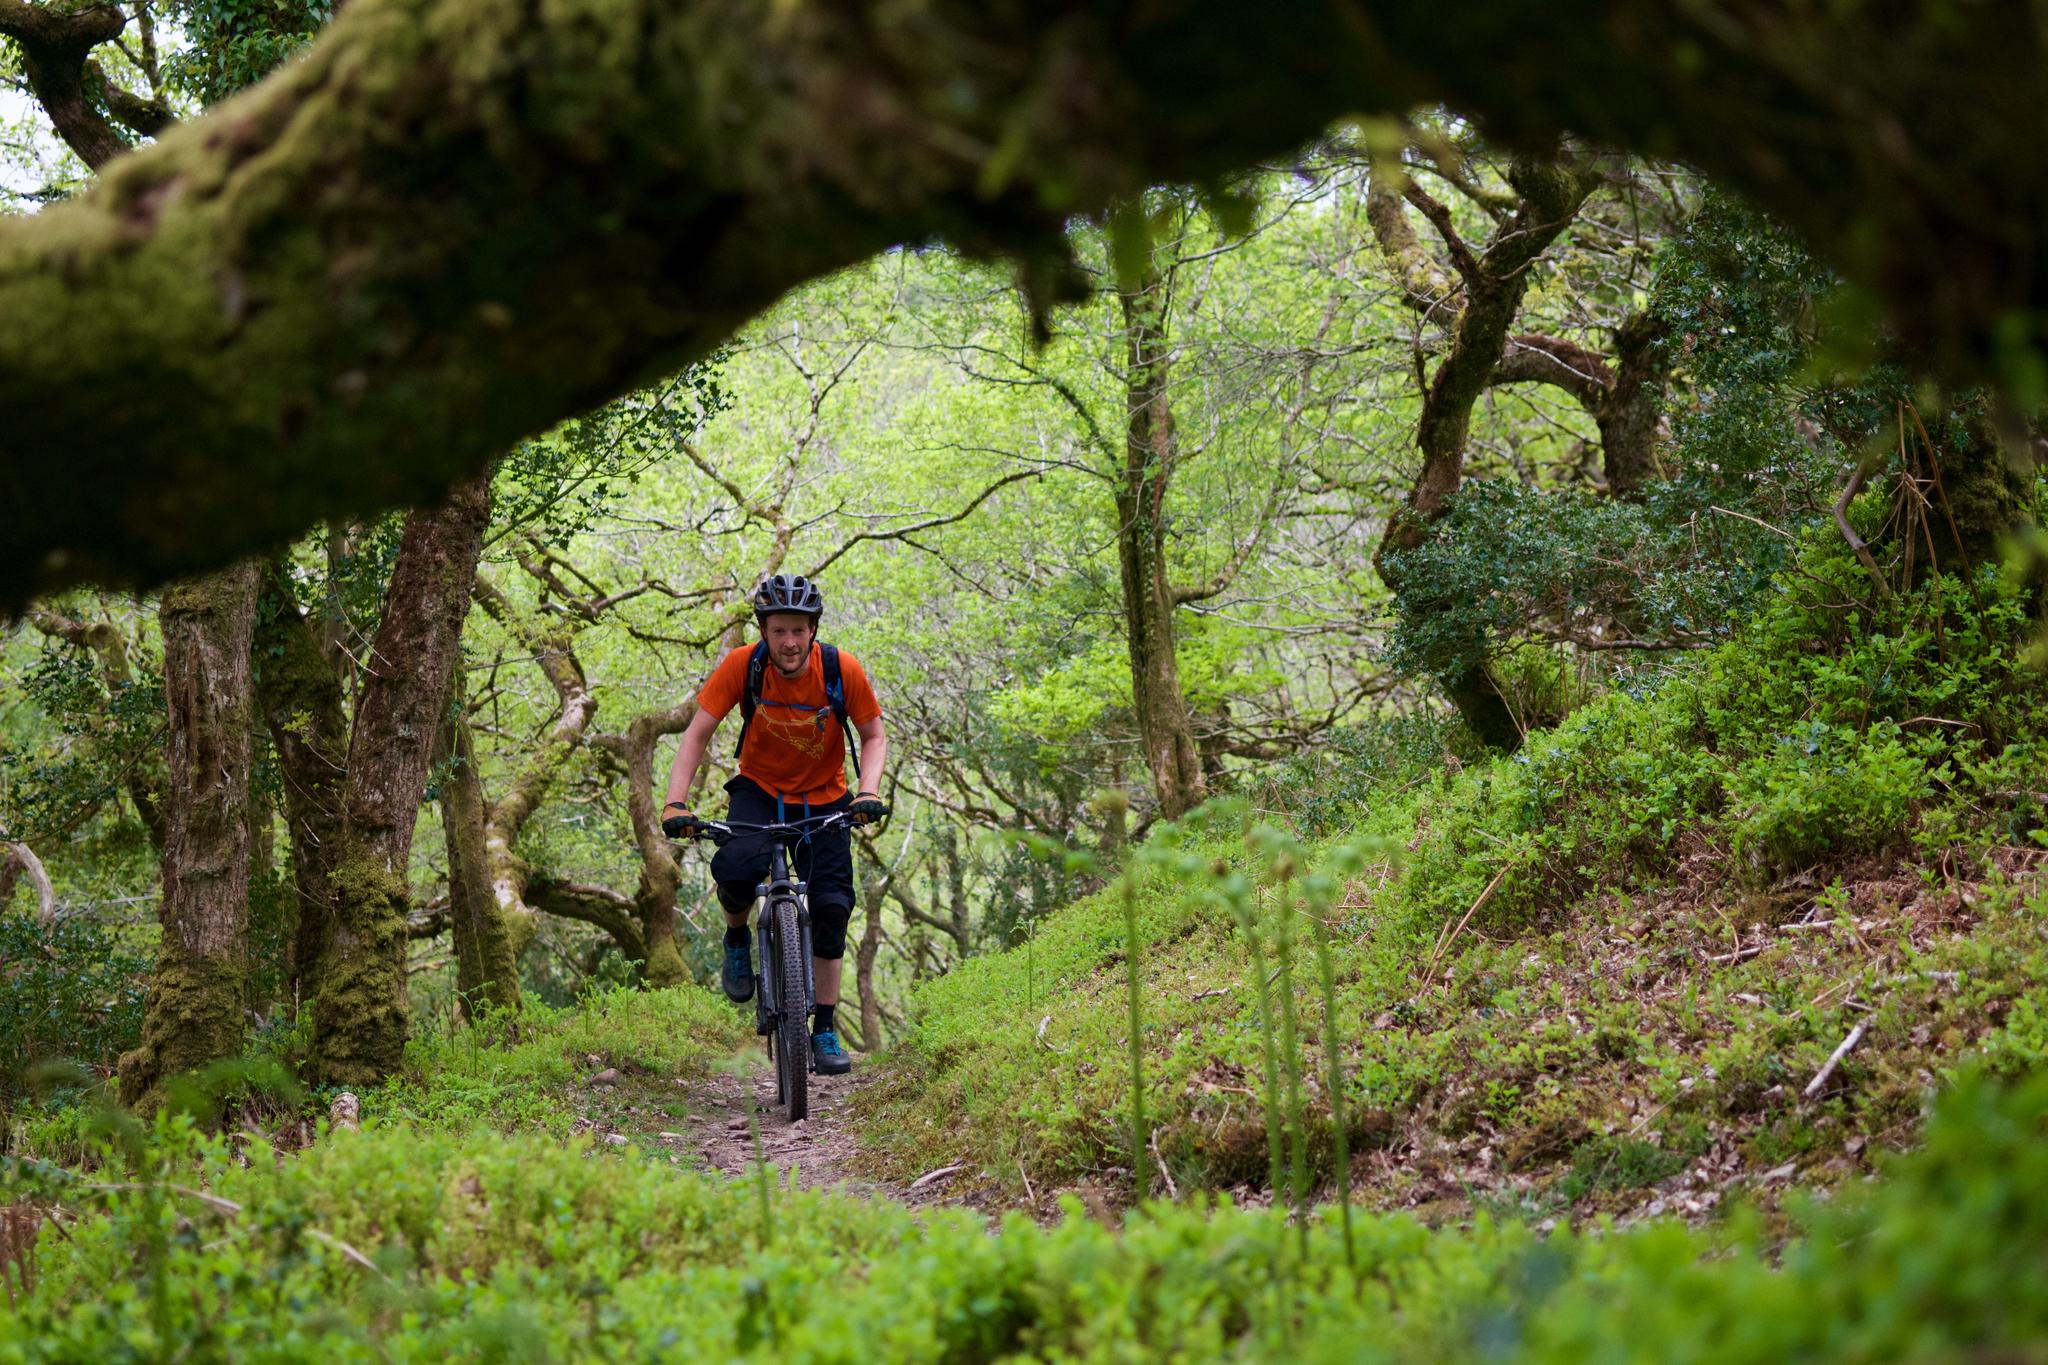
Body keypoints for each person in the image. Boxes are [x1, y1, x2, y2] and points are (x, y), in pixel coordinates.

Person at [659, 573, 887, 1076]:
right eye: (779, 630)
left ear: (813, 630)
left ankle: (823, 1028)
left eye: (798, 631)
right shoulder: (743, 666)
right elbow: (697, 735)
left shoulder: (839, 669)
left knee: (831, 908)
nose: (789, 641)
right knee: (737, 870)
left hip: (825, 798)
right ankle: (737, 937)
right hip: (759, 791)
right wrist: (676, 802)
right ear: (763, 630)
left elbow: (873, 734)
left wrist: (867, 792)